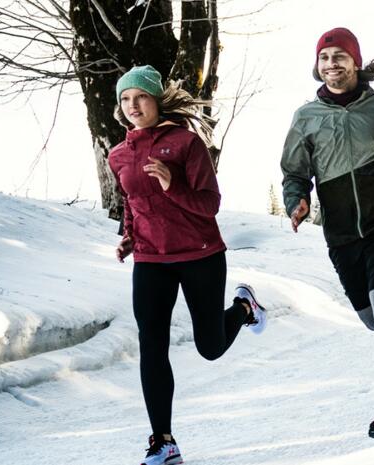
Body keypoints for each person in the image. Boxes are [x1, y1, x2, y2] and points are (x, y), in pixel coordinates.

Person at [279, 27, 374, 440]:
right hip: (343, 233)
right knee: (370, 321)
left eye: (339, 56)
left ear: (355, 62)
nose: (331, 64)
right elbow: (294, 173)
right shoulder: (306, 119)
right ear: (317, 66)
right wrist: (298, 200)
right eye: (324, 57)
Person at [110, 65, 269, 465]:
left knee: (210, 347)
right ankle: (163, 441)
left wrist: (172, 185)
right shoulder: (119, 154)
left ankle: (244, 308)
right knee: (152, 346)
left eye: (141, 97)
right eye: (125, 99)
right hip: (151, 259)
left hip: (200, 254)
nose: (133, 105)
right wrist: (129, 235)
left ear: (157, 99)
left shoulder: (185, 144)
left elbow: (209, 205)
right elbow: (132, 202)